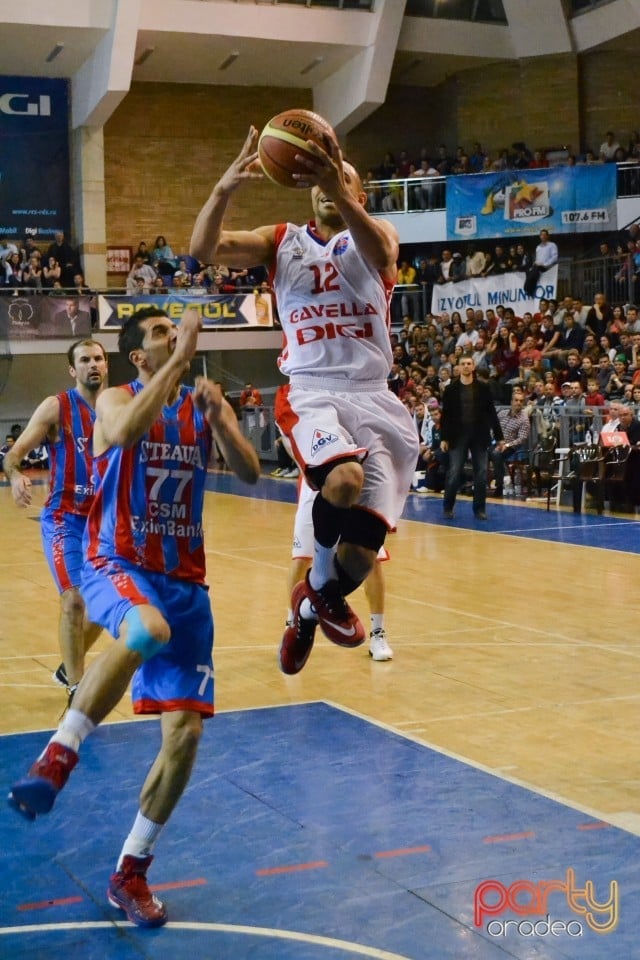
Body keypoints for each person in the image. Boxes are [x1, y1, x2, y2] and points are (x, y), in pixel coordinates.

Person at [8, 306, 260, 929]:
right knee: (146, 629)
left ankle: (131, 869)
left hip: (186, 582)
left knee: (186, 736)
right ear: (139, 357)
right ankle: (60, 754)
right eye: (161, 338)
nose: (175, 342)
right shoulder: (115, 400)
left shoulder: (198, 404)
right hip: (115, 558)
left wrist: (221, 419)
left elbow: (252, 472)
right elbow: (120, 437)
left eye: (177, 336)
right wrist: (179, 364)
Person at [191, 126, 418, 675]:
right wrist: (223, 190)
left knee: (362, 557)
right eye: (320, 180)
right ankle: (314, 592)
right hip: (313, 390)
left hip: (375, 398)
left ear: (356, 195)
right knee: (341, 482)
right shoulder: (282, 240)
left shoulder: (375, 234)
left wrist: (337, 186)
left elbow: (384, 250)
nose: (327, 186)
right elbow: (203, 250)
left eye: (341, 179)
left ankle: (309, 611)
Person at [2, 339, 109, 698]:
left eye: (98, 358)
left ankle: (69, 666)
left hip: (106, 523)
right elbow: (14, 454)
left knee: (108, 607)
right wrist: (16, 476)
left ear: (106, 365)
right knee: (74, 601)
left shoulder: (122, 407)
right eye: (84, 360)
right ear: (72, 369)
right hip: (65, 520)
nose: (92, 364)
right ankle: (78, 689)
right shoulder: (58, 407)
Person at [288, 478, 394, 662]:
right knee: (301, 558)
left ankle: (378, 633)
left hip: (353, 486)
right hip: (316, 484)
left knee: (373, 560)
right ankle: (292, 625)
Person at [440, 355, 504, 519]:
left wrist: (500, 437)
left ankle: (479, 509)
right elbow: (445, 416)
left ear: (474, 366)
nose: (466, 366)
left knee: (481, 473)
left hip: (479, 435)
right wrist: (444, 438)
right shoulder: (451, 389)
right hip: (457, 435)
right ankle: (448, 507)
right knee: (454, 472)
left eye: (469, 363)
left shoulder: (483, 388)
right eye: (463, 364)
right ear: (458, 367)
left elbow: (491, 413)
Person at [488, 390, 531, 497]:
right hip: (496, 442)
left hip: (511, 447)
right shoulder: (502, 413)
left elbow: (522, 439)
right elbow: (493, 428)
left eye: (521, 401)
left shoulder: (524, 419)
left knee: (496, 454)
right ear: (511, 401)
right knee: (481, 452)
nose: (518, 403)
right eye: (516, 400)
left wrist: (506, 445)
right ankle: (480, 483)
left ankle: (499, 485)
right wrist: (494, 439)